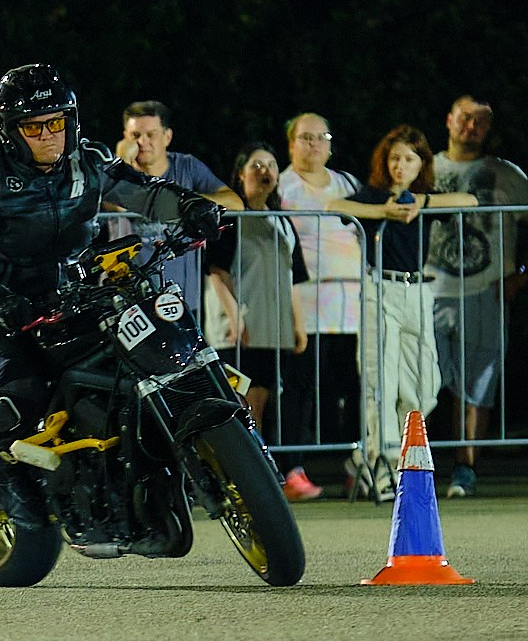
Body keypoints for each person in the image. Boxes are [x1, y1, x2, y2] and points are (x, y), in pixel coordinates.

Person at [0, 66, 226, 528]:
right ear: (10, 132)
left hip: (69, 298)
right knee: (20, 385)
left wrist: (192, 205)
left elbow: (146, 193)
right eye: (33, 127)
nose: (48, 135)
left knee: (132, 359)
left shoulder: (89, 160)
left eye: (56, 121)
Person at [324, 127, 478, 502]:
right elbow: (335, 206)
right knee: (382, 378)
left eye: (409, 158)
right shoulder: (375, 196)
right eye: (394, 158)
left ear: (421, 164)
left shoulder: (423, 198)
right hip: (380, 289)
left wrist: (421, 204)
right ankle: (383, 463)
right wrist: (383, 212)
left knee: (426, 383)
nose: (400, 165)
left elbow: (470, 200)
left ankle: (364, 455)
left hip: (418, 292)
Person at [426, 95, 528, 498]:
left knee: (477, 386)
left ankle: (465, 468)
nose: (470, 127)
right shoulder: (426, 168)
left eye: (480, 121)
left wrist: (522, 274)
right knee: (422, 381)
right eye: (464, 118)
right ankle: (407, 466)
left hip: (485, 291)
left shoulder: (505, 174)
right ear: (449, 120)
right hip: (430, 291)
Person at [276, 111, 363, 500]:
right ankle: (290, 468)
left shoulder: (347, 183)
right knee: (300, 390)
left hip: (354, 309)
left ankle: (357, 466)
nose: (314, 144)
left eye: (321, 137)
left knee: (357, 389)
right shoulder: (282, 186)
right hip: (307, 307)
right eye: (305, 137)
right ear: (291, 144)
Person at [204, 147, 309, 459]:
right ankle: (237, 467)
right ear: (240, 173)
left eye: (272, 165)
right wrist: (236, 319)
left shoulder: (282, 223)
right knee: (239, 401)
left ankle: (257, 467)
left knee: (260, 401)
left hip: (272, 327)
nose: (265, 171)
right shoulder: (229, 218)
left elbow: (294, 277)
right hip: (237, 330)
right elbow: (216, 272)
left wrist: (298, 325)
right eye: (257, 165)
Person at [114, 100, 241, 324]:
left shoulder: (186, 166)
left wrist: (188, 203)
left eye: (151, 134)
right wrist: (121, 161)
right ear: (125, 137)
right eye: (135, 136)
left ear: (167, 137)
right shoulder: (114, 172)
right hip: (128, 301)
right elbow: (114, 204)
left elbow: (235, 203)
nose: (142, 142)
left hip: (180, 299)